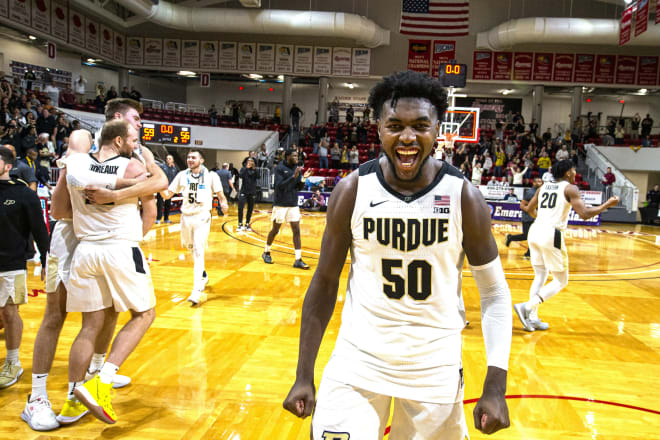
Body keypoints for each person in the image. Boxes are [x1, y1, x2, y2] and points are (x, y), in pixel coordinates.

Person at [282, 71, 512, 438]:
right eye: (396, 126)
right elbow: (324, 283)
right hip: (358, 360)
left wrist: (496, 385)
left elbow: (495, 294)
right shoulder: (352, 190)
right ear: (378, 129)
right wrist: (303, 374)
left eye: (420, 125)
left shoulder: (463, 196)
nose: (407, 137)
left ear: (438, 129)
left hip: (434, 368)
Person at [22, 100, 167, 430]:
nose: (140, 127)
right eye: (136, 121)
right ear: (118, 123)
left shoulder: (93, 161)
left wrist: (111, 191)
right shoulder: (83, 145)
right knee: (55, 315)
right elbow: (61, 212)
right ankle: (39, 396)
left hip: (90, 244)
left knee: (104, 317)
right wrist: (122, 199)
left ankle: (83, 387)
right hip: (80, 239)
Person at [53, 120, 158, 425]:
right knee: (145, 314)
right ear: (117, 140)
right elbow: (151, 205)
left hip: (85, 251)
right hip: (120, 247)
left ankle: (73, 400)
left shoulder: (75, 165)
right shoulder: (132, 168)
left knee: (89, 327)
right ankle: (102, 380)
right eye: (132, 139)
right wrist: (133, 238)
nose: (135, 144)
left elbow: (58, 212)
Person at [514, 160, 619, 332]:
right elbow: (584, 214)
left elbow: (529, 209)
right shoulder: (570, 188)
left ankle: (532, 318)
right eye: (573, 170)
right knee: (561, 280)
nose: (575, 173)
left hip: (535, 229)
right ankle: (528, 306)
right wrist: (607, 205)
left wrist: (544, 217)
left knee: (540, 275)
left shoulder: (543, 187)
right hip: (551, 233)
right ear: (567, 172)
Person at [0, 146, 49, 390]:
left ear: (8, 166)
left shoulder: (23, 194)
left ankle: (13, 362)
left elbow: (40, 230)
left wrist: (47, 260)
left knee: (10, 313)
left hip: (11, 263)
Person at [161, 150, 228, 305]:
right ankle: (203, 275)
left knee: (198, 250)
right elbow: (167, 195)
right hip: (185, 218)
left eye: (194, 157)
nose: (190, 159)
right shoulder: (182, 175)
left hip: (202, 216)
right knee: (191, 250)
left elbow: (220, 194)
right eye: (188, 157)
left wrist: (224, 203)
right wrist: (155, 185)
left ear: (202, 160)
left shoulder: (211, 176)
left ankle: (196, 290)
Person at [262, 149, 312, 269]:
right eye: (294, 155)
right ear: (287, 156)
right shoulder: (279, 168)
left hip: (293, 203)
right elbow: (279, 186)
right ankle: (266, 252)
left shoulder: (297, 168)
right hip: (280, 204)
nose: (296, 157)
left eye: (297, 155)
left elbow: (298, 187)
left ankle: (298, 259)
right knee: (275, 230)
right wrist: (293, 177)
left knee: (296, 230)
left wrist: (303, 178)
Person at [506, 177, 542, 259]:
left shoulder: (538, 192)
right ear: (533, 183)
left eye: (541, 181)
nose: (540, 183)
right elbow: (522, 205)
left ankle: (529, 253)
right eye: (538, 181)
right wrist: (529, 211)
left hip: (534, 217)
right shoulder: (530, 192)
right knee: (527, 236)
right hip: (528, 217)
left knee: (533, 236)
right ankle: (510, 238)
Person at [237, 157, 259, 231]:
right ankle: (240, 224)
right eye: (248, 161)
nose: (250, 162)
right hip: (244, 191)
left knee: (250, 209)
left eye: (251, 161)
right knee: (240, 207)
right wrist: (246, 168)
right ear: (246, 162)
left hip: (252, 192)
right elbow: (240, 176)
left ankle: (247, 224)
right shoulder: (243, 169)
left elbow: (258, 177)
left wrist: (254, 169)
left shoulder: (255, 170)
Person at [156, 155, 178, 224]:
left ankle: (166, 218)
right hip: (162, 188)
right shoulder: (162, 167)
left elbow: (175, 179)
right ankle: (158, 219)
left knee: (168, 204)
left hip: (170, 189)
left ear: (172, 160)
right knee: (159, 204)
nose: (168, 159)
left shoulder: (174, 169)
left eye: (169, 158)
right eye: (167, 158)